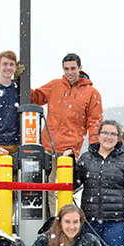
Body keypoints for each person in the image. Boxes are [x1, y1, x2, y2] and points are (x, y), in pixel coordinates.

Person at [32, 53, 103, 214]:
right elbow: (35, 97)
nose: (69, 72)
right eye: (66, 69)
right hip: (46, 147)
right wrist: (18, 81)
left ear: (80, 68)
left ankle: (63, 225)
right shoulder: (55, 85)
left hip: (68, 151)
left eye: (72, 68)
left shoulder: (91, 93)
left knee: (64, 191)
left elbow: (95, 121)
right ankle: (50, 227)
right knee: (45, 190)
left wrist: (94, 146)